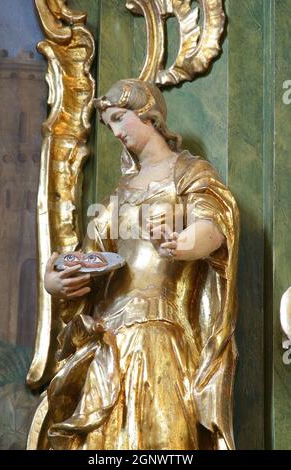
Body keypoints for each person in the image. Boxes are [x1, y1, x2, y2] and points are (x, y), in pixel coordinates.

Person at [29, 79, 239, 450]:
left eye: (119, 118)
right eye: (109, 125)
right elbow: (90, 258)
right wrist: (57, 281)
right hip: (108, 332)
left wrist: (182, 242)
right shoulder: (118, 196)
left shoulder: (188, 173)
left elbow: (216, 225)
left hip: (159, 327)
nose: (116, 131)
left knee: (160, 437)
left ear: (148, 113)